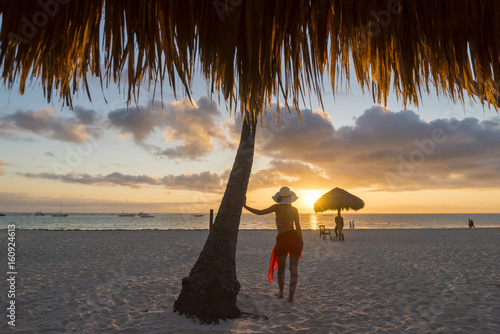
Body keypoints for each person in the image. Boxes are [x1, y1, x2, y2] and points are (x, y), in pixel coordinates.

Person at [243, 186, 303, 302]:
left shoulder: (276, 207)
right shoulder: (294, 210)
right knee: (293, 269)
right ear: (290, 198)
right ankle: (290, 297)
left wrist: (245, 206)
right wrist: (302, 241)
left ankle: (281, 293)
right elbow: (298, 228)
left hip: (282, 240)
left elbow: (259, 213)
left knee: (282, 268)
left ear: (280, 197)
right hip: (294, 239)